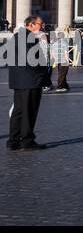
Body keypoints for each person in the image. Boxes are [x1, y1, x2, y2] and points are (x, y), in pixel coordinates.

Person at [7, 16, 52, 151]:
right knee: (29, 111)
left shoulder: (16, 36)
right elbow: (32, 60)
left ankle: (13, 141)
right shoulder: (28, 38)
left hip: (20, 81)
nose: (42, 27)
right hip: (31, 80)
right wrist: (42, 74)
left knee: (19, 112)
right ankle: (27, 141)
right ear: (31, 24)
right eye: (40, 24)